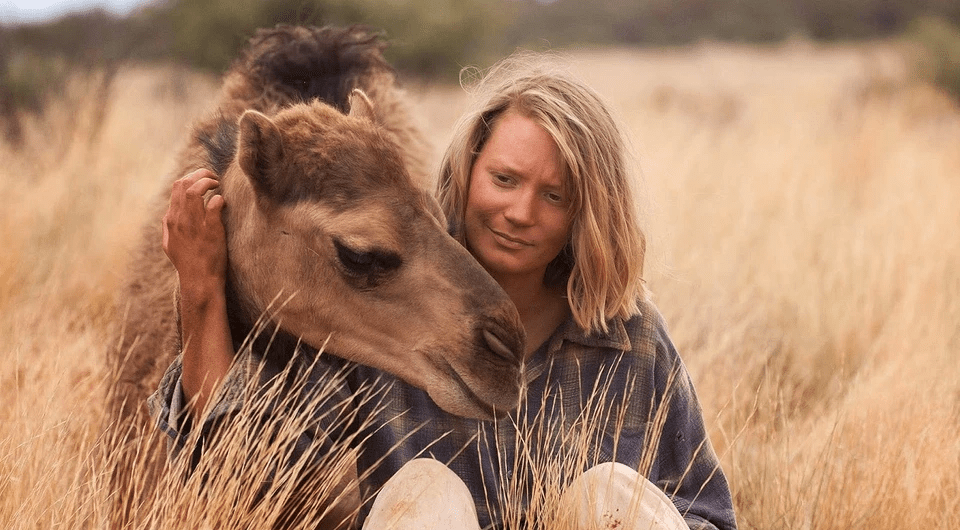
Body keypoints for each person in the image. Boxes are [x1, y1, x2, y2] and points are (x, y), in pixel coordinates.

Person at [149, 52, 738, 530]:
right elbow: (252, 490)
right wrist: (201, 293)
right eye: (503, 180)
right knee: (424, 499)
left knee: (610, 494)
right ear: (469, 169)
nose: (520, 212)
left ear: (586, 212)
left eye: (554, 196)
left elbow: (709, 515)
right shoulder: (367, 327)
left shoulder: (626, 339)